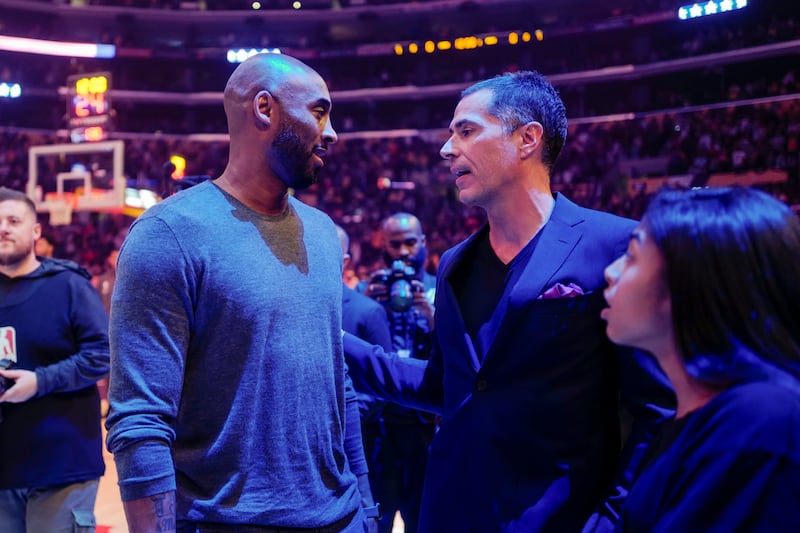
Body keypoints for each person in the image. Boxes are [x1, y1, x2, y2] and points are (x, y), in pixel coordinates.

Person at [344, 71, 675, 532]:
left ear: (527, 139)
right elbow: (446, 387)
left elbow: (658, 410)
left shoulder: (615, 244)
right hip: (449, 514)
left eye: (466, 130)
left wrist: (612, 519)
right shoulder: (456, 263)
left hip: (561, 519)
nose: (446, 148)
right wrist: (332, 337)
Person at [105, 53, 374, 532]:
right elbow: (140, 422)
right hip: (224, 522)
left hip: (343, 518)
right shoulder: (170, 234)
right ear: (265, 109)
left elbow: (340, 388)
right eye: (319, 111)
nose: (331, 133)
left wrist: (369, 511)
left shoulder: (323, 233)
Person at [601, 186, 800, 531]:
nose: (610, 272)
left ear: (690, 281)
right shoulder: (697, 418)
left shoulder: (760, 422)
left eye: (632, 256)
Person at [0, 186, 110, 533]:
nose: (3, 228)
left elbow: (102, 354)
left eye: (13, 221)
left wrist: (40, 381)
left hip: (62, 466)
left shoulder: (68, 284)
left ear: (35, 231)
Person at [356, 213, 437, 533]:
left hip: (424, 425)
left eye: (410, 243)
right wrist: (364, 306)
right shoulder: (369, 288)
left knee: (424, 514)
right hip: (380, 425)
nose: (403, 251)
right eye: (395, 244)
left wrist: (430, 316)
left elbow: (457, 351)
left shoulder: (439, 288)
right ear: (383, 245)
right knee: (380, 513)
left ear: (423, 244)